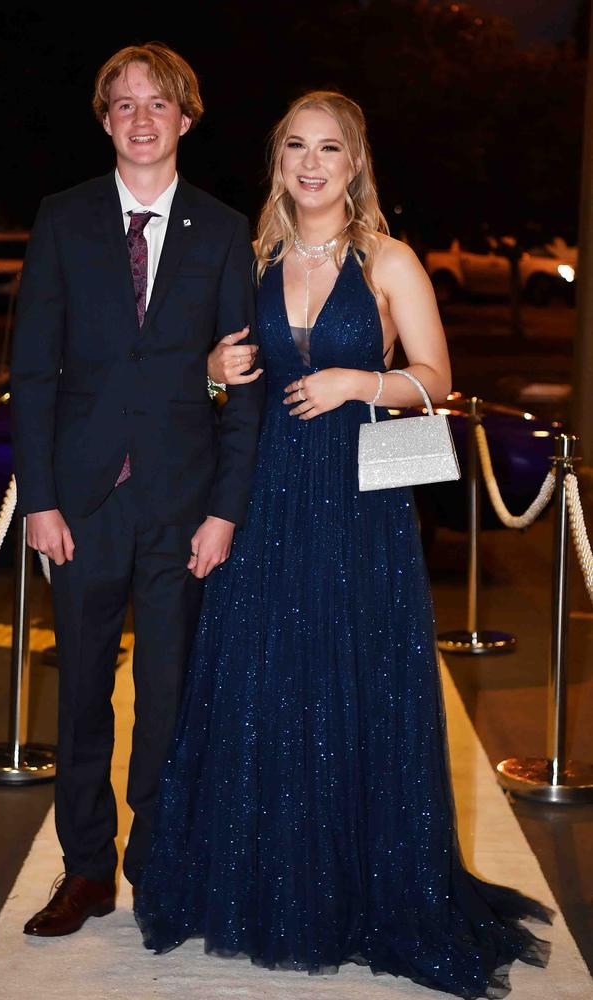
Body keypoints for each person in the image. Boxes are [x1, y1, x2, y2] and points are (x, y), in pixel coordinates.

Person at [134, 91, 552, 997]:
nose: (312, 164)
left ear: (355, 164)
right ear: (278, 161)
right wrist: (211, 373)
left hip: (362, 502)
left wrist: (366, 378)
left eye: (330, 149)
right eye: (296, 147)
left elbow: (437, 378)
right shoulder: (251, 258)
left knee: (355, 683)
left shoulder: (390, 259)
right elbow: (219, 379)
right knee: (261, 681)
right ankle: (259, 884)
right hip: (267, 495)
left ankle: (362, 886)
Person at [10, 42, 263, 937]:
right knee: (80, 695)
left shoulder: (226, 229)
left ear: (186, 119)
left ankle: (160, 867)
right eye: (123, 104)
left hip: (183, 510)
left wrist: (226, 510)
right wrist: (38, 499)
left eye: (159, 104)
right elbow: (34, 370)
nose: (141, 118)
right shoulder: (62, 219)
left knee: (168, 700)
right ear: (106, 120)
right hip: (80, 507)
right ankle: (85, 872)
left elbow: (242, 384)